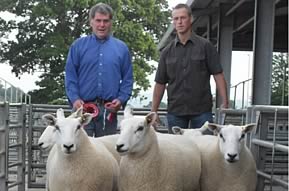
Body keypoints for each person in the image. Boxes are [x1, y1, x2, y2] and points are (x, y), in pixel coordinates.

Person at [151, 3, 228, 133]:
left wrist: (225, 102)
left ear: (191, 19)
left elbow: (218, 75)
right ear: (173, 22)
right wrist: (154, 111)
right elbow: (160, 83)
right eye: (176, 19)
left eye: (183, 18)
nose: (179, 22)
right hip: (176, 111)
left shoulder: (206, 46)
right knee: (178, 151)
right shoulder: (167, 52)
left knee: (204, 150)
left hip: (202, 110)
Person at [65, 3, 133, 137]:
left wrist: (121, 99)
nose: (102, 25)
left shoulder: (122, 49)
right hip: (83, 111)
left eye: (106, 21)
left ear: (111, 22)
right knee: (82, 153)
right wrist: (74, 99)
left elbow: (127, 79)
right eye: (98, 20)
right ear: (91, 22)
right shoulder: (77, 46)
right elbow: (70, 76)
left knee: (107, 154)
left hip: (109, 112)